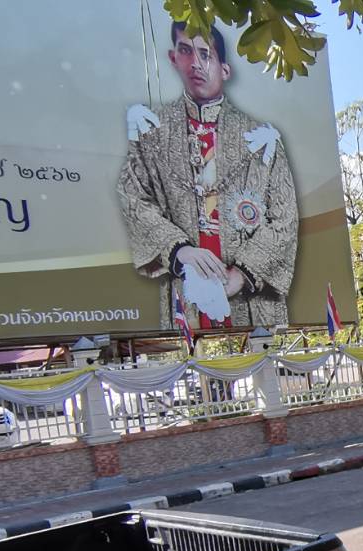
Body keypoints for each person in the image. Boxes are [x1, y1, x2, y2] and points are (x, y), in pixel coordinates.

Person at [117, 21, 298, 330]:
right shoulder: (153, 130)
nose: (196, 63)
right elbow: (131, 194)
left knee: (257, 368)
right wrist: (179, 250)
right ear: (173, 58)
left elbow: (286, 218)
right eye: (186, 51)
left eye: (206, 54)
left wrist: (242, 274)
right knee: (191, 370)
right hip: (185, 294)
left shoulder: (261, 137)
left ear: (224, 69)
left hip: (251, 301)